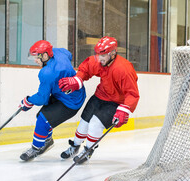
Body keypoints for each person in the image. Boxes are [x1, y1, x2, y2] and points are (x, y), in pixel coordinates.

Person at [58, 36, 140, 164]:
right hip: (99, 96)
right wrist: (77, 80)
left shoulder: (123, 69)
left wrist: (125, 110)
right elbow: (86, 69)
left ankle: (87, 151)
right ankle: (75, 146)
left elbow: (132, 93)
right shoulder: (99, 61)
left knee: (95, 124)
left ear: (113, 53)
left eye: (103, 55)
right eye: (98, 55)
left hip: (116, 103)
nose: (100, 58)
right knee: (84, 123)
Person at [19, 40, 86, 161]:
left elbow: (42, 98)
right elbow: (68, 54)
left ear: (45, 55)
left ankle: (36, 148)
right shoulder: (58, 52)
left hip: (70, 102)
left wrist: (28, 101)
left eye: (37, 58)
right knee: (41, 115)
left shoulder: (47, 72)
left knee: (43, 120)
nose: (35, 60)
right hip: (71, 93)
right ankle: (47, 141)